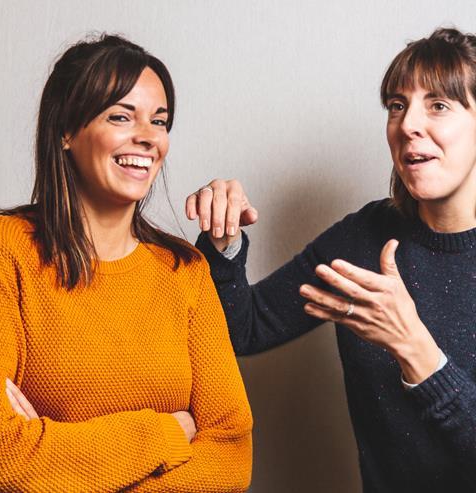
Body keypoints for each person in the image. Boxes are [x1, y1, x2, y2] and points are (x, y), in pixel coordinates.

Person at [187, 27, 476, 492]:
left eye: (438, 105)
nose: (407, 125)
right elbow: (245, 329)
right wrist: (224, 241)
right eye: (397, 106)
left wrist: (417, 350)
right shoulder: (364, 237)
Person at [0, 34, 252, 492]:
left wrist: (61, 461)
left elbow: (231, 453)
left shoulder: (186, 271)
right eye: (120, 116)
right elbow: (4, 456)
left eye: (159, 121)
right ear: (66, 131)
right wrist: (167, 433)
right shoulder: (5, 250)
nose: (148, 137)